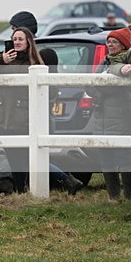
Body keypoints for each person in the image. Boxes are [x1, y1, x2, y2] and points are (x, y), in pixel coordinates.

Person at [0, 27, 44, 193]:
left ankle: (27, 190)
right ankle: (19, 191)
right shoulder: (6, 59)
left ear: (28, 42)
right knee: (13, 157)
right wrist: (0, 59)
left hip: (23, 118)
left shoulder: (33, 63)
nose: (17, 42)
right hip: (4, 118)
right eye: (14, 39)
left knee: (25, 158)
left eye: (20, 39)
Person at [93, 28, 131, 200]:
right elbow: (90, 85)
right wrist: (102, 93)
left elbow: (123, 89)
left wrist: (105, 90)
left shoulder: (126, 61)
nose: (110, 45)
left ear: (123, 45)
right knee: (106, 161)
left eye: (114, 42)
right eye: (108, 41)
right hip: (101, 119)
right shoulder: (103, 63)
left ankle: (130, 197)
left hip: (121, 118)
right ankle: (113, 197)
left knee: (125, 159)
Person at [39, 48, 84, 195]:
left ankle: (66, 180)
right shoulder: (53, 77)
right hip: (48, 120)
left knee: (38, 158)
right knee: (43, 157)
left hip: (43, 120)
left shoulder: (45, 79)